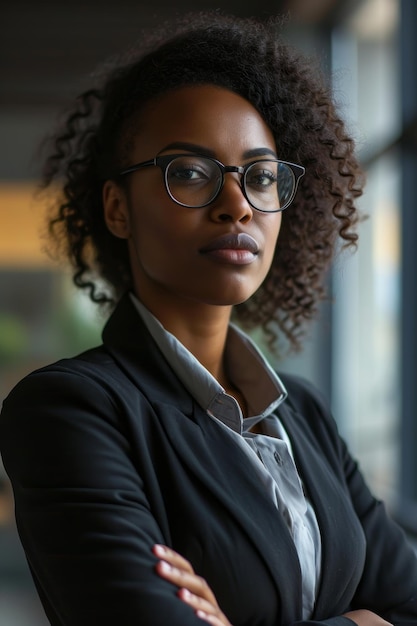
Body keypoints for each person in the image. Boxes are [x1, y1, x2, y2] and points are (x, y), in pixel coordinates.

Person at [1, 12, 416, 626]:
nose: (236, 205)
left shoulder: (301, 413)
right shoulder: (70, 409)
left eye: (261, 176)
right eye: (189, 173)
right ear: (118, 208)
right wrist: (356, 622)